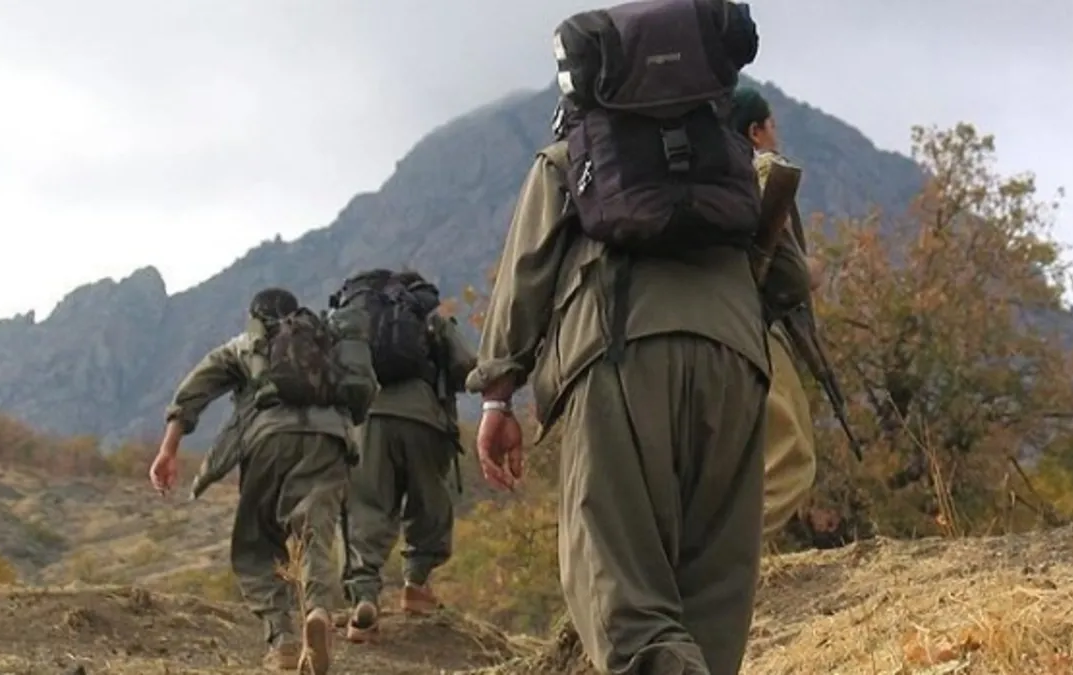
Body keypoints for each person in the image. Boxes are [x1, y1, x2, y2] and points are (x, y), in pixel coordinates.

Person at [468, 3, 811, 672]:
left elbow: (524, 276)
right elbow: (792, 280)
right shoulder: (733, 154)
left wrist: (496, 399)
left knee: (621, 588)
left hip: (619, 357)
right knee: (712, 590)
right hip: (736, 365)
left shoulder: (572, 156)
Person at [148, 287, 377, 674]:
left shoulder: (247, 345)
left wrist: (168, 450)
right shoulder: (328, 341)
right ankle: (318, 609)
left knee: (258, 542)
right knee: (315, 531)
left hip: (268, 440)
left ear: (254, 316)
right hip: (329, 439)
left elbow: (193, 393)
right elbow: (363, 390)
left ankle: (283, 638)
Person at [335, 269, 477, 642]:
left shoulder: (361, 319)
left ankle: (364, 598)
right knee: (428, 501)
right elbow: (466, 366)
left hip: (368, 420)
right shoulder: (427, 313)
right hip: (424, 418)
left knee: (367, 506)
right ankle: (416, 585)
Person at [730, 86, 823, 539]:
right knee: (791, 460)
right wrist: (810, 270)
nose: (776, 134)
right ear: (755, 131)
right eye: (772, 125)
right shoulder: (763, 173)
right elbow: (784, 273)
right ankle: (720, 563)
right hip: (751, 329)